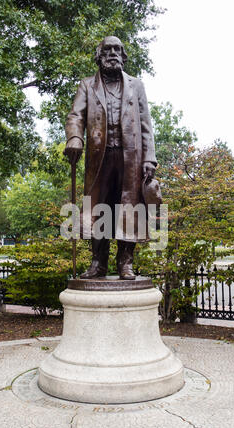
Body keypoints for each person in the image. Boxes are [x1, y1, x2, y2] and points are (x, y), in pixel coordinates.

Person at [64, 36, 157, 280]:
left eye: (117, 49)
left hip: (132, 160)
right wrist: (75, 138)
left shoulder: (136, 86)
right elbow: (76, 115)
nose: (112, 53)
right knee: (97, 209)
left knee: (130, 208)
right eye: (107, 49)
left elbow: (146, 124)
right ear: (99, 55)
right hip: (99, 159)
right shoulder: (87, 85)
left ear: (123, 56)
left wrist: (150, 158)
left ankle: (125, 262)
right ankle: (98, 262)